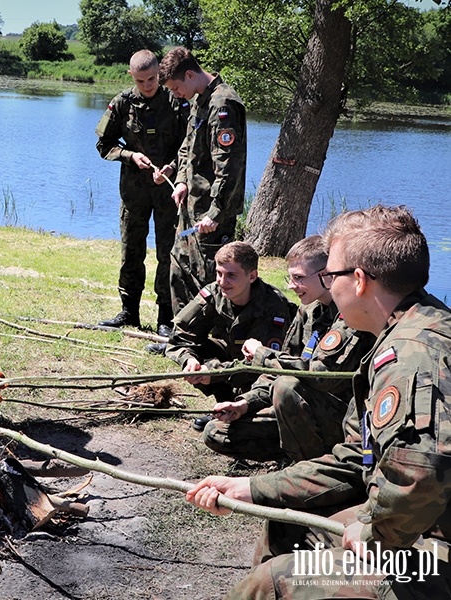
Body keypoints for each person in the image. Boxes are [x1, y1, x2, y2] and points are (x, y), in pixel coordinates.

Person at [186, 205, 451, 598]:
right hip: (417, 523)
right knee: (286, 522)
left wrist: (374, 533)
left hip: (434, 550)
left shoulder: (410, 355)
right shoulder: (408, 328)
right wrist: (251, 488)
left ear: (359, 281)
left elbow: (421, 476)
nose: (327, 282)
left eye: (332, 274)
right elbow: (352, 458)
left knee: (272, 582)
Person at [201, 235, 375, 461]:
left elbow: (323, 377)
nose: (291, 286)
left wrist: (262, 354)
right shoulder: (308, 311)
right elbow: (281, 365)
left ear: (325, 276)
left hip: (342, 419)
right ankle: (293, 452)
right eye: (290, 277)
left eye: (299, 278)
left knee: (286, 387)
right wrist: (246, 403)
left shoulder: (351, 315)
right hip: (297, 410)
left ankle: (310, 465)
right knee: (215, 432)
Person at [95, 49, 188, 336]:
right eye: (140, 81)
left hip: (167, 193)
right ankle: (129, 312)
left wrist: (172, 168)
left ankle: (164, 317)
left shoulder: (176, 100)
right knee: (131, 250)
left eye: (151, 79)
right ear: (131, 77)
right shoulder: (122, 103)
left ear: (159, 72)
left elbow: (190, 145)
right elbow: (104, 144)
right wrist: (130, 155)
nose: (147, 86)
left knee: (166, 253)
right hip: (133, 191)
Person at [158, 47, 247, 318]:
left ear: (189, 74)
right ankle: (181, 337)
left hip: (210, 215)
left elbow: (228, 167)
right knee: (179, 270)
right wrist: (182, 180)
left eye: (175, 87)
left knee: (209, 279)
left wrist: (216, 213)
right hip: (191, 207)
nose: (175, 94)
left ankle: (209, 342)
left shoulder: (222, 104)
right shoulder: (199, 100)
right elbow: (188, 147)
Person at [164, 242, 295, 419]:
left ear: (252, 276)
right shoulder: (213, 294)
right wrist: (189, 360)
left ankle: (244, 406)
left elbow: (265, 364)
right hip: (231, 358)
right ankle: (223, 403)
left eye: (232, 275)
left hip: (260, 376)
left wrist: (213, 370)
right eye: (219, 273)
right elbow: (179, 338)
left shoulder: (274, 306)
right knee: (201, 350)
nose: (222, 282)